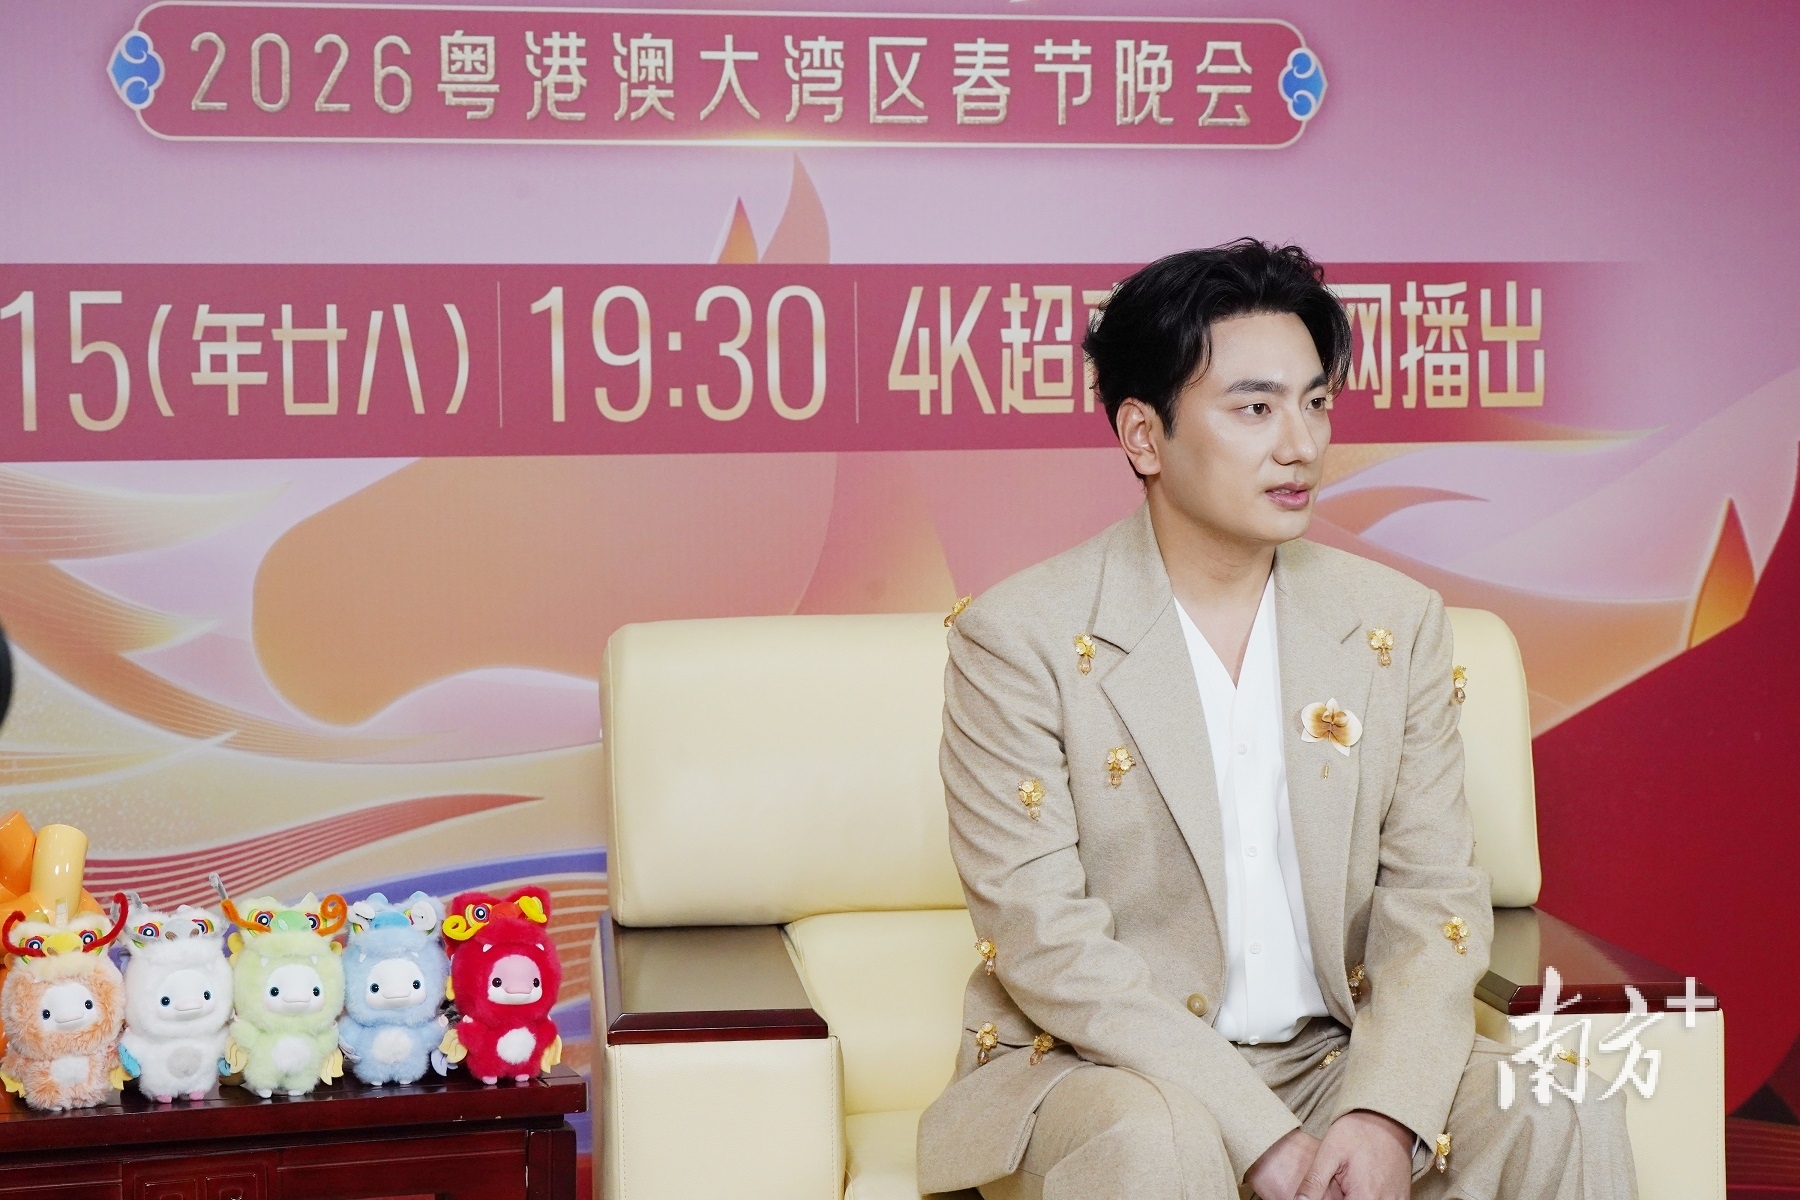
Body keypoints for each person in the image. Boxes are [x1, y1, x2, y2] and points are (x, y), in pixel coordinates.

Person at [915, 241, 1635, 1200]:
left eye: (1315, 402)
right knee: (1162, 1139)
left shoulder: (1393, 623)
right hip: (1104, 1074)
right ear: (1144, 437)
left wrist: (1382, 1114)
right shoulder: (1020, 637)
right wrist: (1261, 1134)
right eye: (1255, 408)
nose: (1301, 444)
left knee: (1556, 1108)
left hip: (1333, 1055)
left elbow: (1434, 898)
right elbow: (1047, 940)